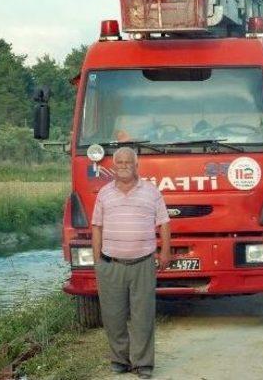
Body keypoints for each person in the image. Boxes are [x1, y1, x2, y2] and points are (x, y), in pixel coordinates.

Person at [92, 147, 172, 379]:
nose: (124, 165)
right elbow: (97, 226)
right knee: (113, 316)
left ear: (137, 166)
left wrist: (165, 251)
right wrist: (98, 260)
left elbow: (164, 223)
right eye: (120, 162)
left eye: (129, 162)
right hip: (111, 265)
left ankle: (143, 363)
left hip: (143, 264)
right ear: (113, 167)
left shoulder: (152, 192)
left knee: (143, 315)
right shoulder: (104, 194)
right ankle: (120, 359)